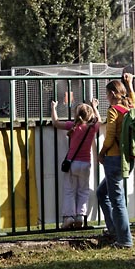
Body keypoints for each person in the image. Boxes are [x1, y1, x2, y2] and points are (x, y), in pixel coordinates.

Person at [96, 73, 135, 248]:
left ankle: (124, 240)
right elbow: (133, 100)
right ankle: (114, 229)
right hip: (128, 157)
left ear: (112, 94)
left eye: (106, 94)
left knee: (117, 200)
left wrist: (101, 152)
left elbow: (110, 135)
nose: (106, 97)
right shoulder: (130, 107)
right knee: (101, 192)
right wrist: (129, 84)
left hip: (113, 158)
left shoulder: (113, 110)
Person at [51, 98, 101, 229]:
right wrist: (95, 107)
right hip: (86, 164)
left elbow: (56, 123)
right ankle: (80, 216)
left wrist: (53, 108)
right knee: (83, 191)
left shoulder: (73, 126)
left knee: (69, 190)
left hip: (72, 163)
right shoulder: (92, 128)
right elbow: (99, 120)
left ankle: (69, 217)